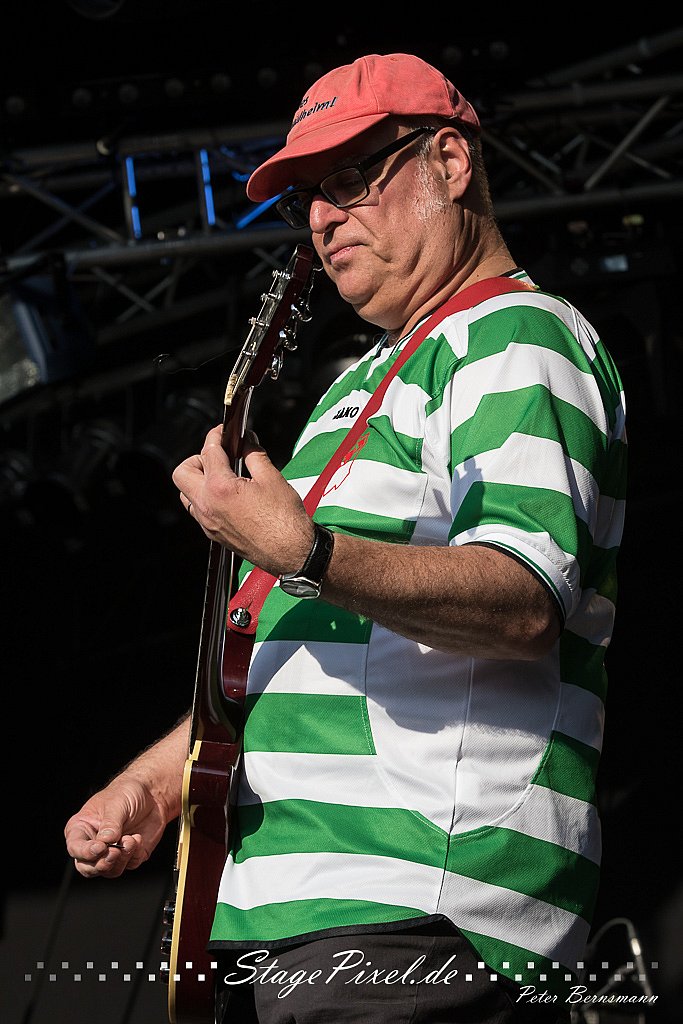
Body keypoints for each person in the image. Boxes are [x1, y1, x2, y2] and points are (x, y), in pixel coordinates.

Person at [64, 52, 627, 1024]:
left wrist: (307, 554)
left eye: (351, 178)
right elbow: (301, 650)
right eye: (307, 198)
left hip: (420, 900)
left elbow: (524, 600)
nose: (322, 217)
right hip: (300, 918)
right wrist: (155, 785)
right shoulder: (354, 388)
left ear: (449, 162)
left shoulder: (513, 337)